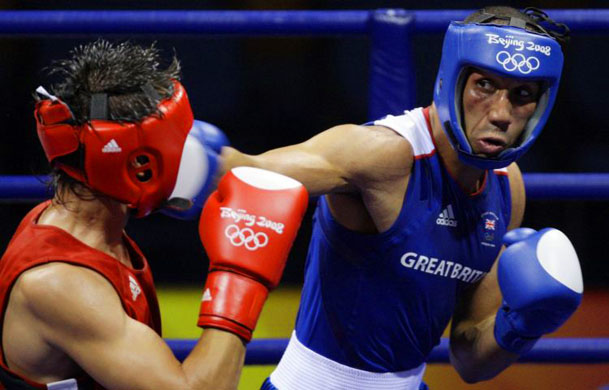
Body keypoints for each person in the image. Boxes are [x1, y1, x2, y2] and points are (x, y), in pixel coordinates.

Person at [217, 6, 584, 389]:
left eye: (522, 95)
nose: (500, 114)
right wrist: (184, 152)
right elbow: (244, 171)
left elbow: (470, 359)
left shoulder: (508, 188)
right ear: (452, 79)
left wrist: (520, 327)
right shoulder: (385, 155)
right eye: (484, 85)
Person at [0, 40, 309, 390]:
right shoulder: (62, 285)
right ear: (141, 166)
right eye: (175, 144)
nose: (190, 153)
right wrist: (240, 278)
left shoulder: (82, 227)